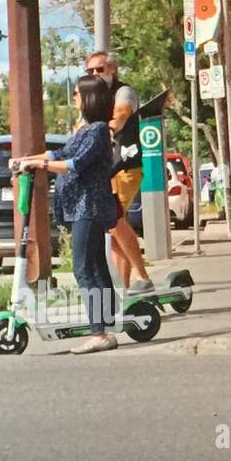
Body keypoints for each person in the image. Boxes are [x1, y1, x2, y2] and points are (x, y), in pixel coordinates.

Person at [16, 75, 121, 354]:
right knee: (95, 267)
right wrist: (28, 160)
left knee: (84, 268)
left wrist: (40, 164)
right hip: (81, 207)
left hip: (90, 206)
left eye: (76, 94)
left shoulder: (98, 130)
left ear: (88, 98)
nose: (73, 98)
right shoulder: (85, 129)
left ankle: (100, 332)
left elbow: (76, 163)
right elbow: (61, 152)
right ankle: (106, 328)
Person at [84, 50, 153, 293]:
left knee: (113, 219)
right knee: (113, 229)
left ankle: (142, 276)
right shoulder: (92, 98)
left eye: (100, 69)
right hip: (103, 170)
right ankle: (122, 289)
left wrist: (111, 127)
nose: (95, 74)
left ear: (112, 69)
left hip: (124, 165)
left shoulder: (123, 92)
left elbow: (122, 114)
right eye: (90, 71)